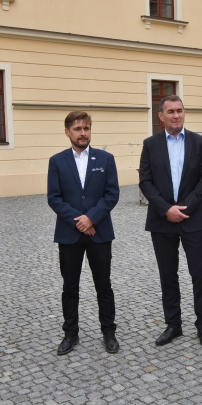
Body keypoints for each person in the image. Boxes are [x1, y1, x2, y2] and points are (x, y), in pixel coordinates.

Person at [139, 95, 202, 349]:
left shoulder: (199, 142)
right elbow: (145, 182)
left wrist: (185, 207)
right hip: (162, 221)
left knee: (199, 273)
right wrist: (165, 209)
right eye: (170, 111)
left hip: (193, 219)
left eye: (180, 110)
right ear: (161, 116)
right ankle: (173, 324)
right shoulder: (150, 144)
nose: (176, 115)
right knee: (167, 275)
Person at [47, 111, 120, 356]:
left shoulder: (105, 158)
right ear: (67, 131)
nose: (83, 133)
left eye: (86, 128)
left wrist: (92, 217)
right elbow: (54, 198)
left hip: (99, 232)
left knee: (104, 285)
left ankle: (109, 332)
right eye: (77, 129)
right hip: (69, 234)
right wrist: (79, 220)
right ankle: (71, 334)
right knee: (70, 287)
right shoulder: (57, 161)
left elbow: (112, 194)